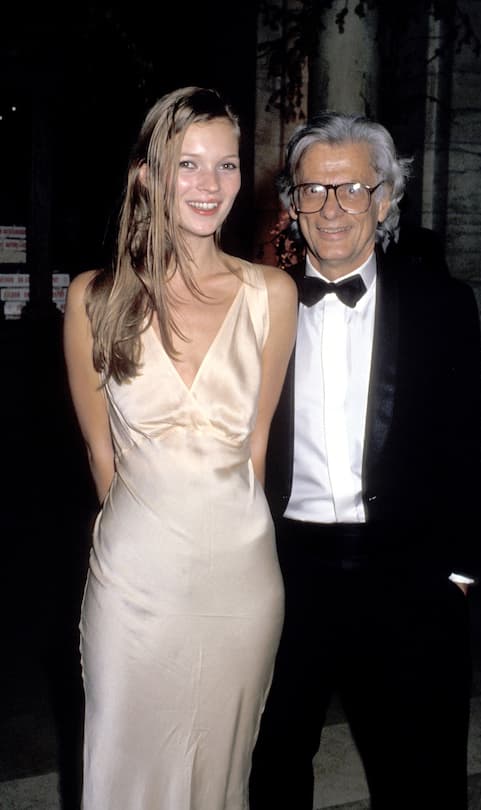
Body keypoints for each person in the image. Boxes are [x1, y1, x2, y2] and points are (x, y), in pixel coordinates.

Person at [249, 112, 481, 809]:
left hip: (407, 572)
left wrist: (461, 573)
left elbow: (463, 447)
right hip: (284, 570)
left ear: (385, 199)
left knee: (421, 773)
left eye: (352, 189)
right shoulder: (257, 307)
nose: (332, 210)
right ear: (292, 203)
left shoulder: (443, 305)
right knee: (272, 764)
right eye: (313, 191)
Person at [63, 85, 297, 810]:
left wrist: (222, 535)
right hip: (135, 587)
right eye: (187, 164)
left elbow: (257, 445)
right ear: (148, 175)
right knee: (122, 775)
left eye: (226, 166)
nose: (209, 185)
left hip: (242, 582)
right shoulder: (93, 299)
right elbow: (102, 456)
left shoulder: (272, 294)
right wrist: (154, 532)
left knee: (221, 778)